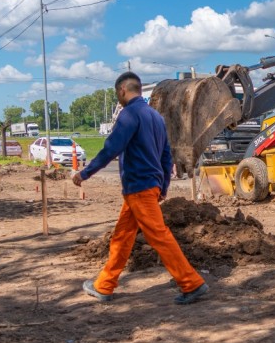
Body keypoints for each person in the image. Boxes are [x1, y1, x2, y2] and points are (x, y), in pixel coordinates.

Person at [73, 71, 208, 304]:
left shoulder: (129, 115)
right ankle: (104, 285)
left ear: (123, 90)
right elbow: (167, 156)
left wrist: (84, 173)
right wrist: (163, 185)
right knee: (122, 236)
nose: (119, 99)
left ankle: (191, 283)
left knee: (159, 236)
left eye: (118, 94)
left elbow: (110, 149)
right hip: (147, 187)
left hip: (139, 187)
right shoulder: (155, 117)